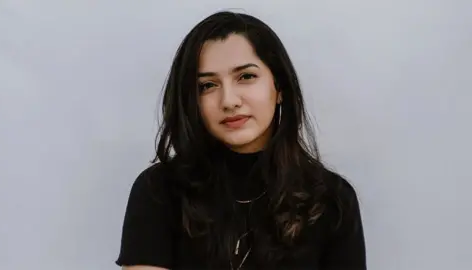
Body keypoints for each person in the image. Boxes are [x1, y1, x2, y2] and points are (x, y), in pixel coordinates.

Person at [116, 11, 366, 270]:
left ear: (279, 87)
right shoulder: (159, 192)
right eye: (207, 85)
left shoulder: (332, 200)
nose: (229, 101)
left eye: (246, 77)